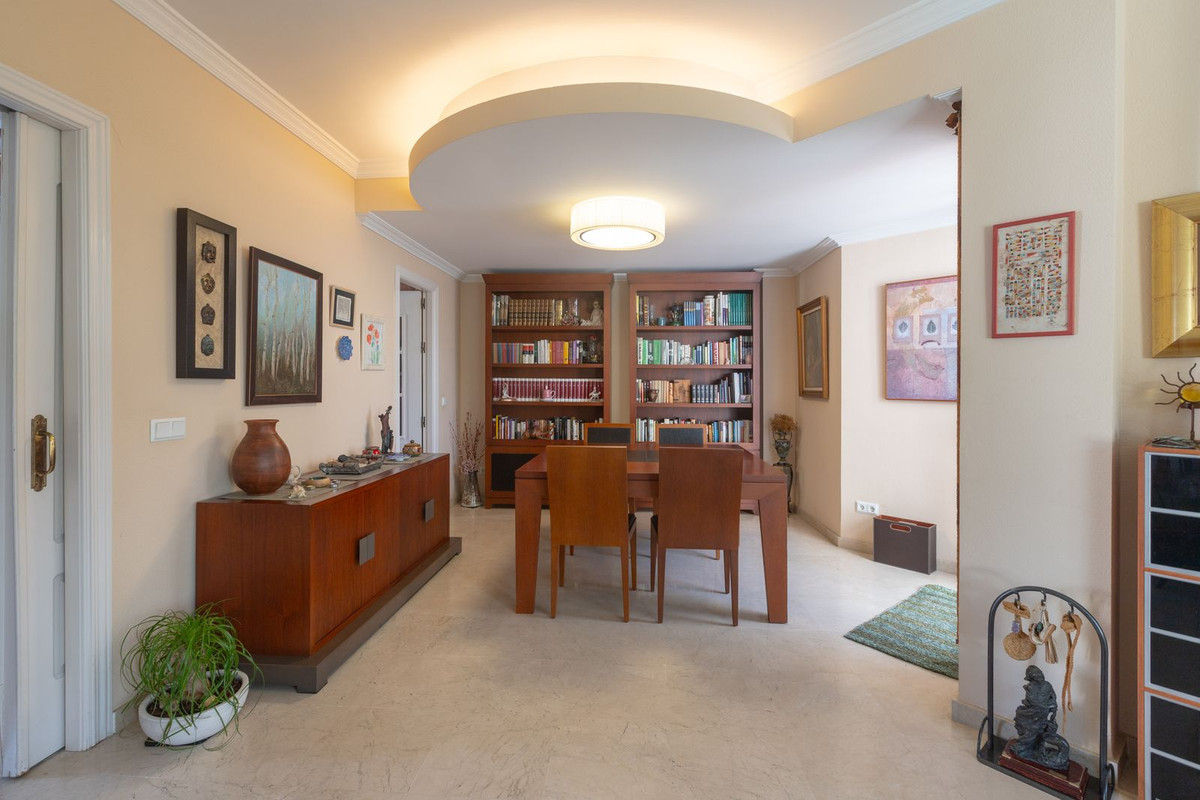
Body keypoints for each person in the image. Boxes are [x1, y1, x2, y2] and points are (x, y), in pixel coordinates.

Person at [1012, 665, 1070, 770]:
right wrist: (1048, 705)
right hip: (1032, 714)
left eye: (1040, 673)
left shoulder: (1047, 685)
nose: (1040, 676)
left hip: (1043, 715)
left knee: (1040, 731)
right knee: (1030, 732)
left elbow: (1053, 696)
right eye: (1036, 675)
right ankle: (1023, 748)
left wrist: (1053, 706)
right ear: (1032, 677)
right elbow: (1032, 701)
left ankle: (1035, 748)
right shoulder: (1031, 687)